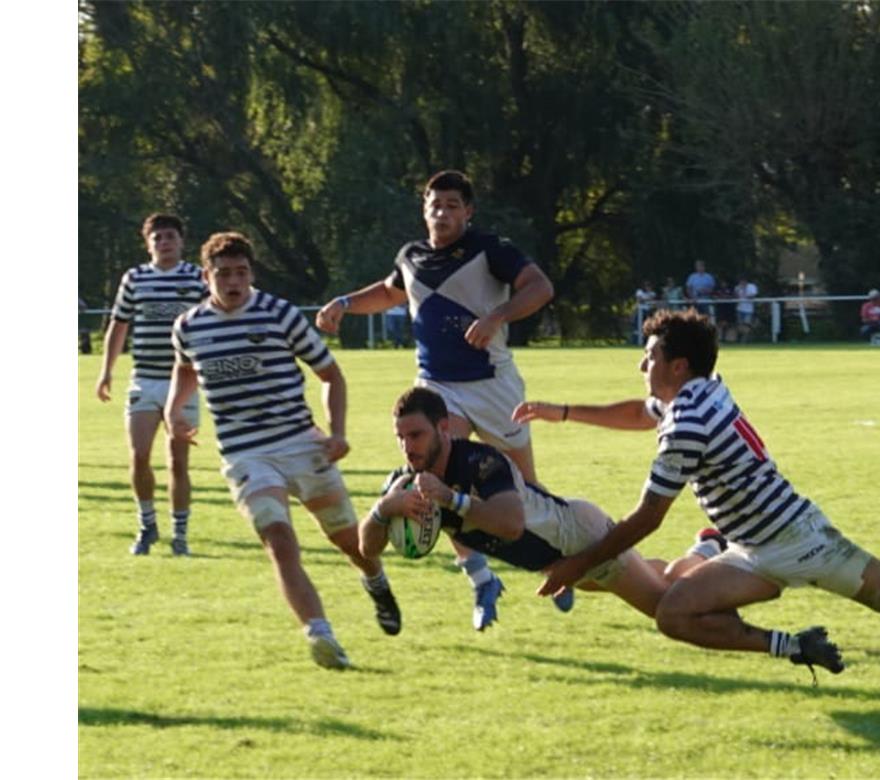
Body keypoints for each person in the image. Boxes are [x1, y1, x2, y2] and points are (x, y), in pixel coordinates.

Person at [511, 309, 880, 677]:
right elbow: (644, 412)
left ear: (678, 364)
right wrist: (562, 412)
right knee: (675, 612)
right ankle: (797, 647)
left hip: (803, 542)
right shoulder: (704, 389)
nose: (642, 363)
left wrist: (578, 563)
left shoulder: (689, 423)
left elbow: (646, 518)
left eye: (651, 356)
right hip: (753, 549)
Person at [313, 169, 568, 628]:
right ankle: (480, 577)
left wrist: (498, 315)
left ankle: (557, 562)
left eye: (453, 205)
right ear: (424, 209)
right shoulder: (410, 257)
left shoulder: (490, 249)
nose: (443, 212)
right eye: (435, 204)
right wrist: (345, 303)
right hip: (436, 388)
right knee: (434, 473)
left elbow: (541, 287)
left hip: (493, 384)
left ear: (468, 212)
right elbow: (391, 292)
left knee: (525, 489)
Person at [167, 231, 396, 669]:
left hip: (301, 444)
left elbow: (331, 375)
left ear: (251, 273)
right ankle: (320, 633)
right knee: (278, 538)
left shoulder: (280, 314)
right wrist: (175, 410)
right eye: (223, 274)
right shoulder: (188, 326)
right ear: (205, 276)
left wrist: (338, 432)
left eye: (241, 273)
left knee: (349, 541)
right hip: (244, 454)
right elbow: (185, 369)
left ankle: (375, 578)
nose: (233, 282)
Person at [361, 387, 674, 629]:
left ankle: (714, 573)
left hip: (579, 538)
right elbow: (368, 548)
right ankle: (705, 549)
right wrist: (384, 509)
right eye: (400, 437)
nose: (407, 447)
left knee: (666, 608)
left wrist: (451, 499)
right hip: (555, 564)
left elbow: (511, 524)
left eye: (416, 435)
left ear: (443, 427)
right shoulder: (406, 483)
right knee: (660, 578)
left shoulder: (480, 461)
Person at [95, 214, 207, 556]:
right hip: (144, 378)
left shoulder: (196, 276)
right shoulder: (135, 278)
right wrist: (106, 371)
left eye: (170, 236)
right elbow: (119, 324)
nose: (164, 242)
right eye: (157, 237)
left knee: (178, 460)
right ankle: (147, 526)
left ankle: (180, 534)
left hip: (183, 381)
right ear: (148, 243)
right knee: (139, 455)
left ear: (181, 241)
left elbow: (214, 316)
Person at [734, 276, 758, 343]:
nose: (742, 282)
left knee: (747, 325)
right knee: (740, 325)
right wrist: (739, 291)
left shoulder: (752, 286)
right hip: (739, 309)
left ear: (746, 281)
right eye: (740, 281)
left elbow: (752, 296)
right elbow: (736, 297)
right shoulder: (737, 287)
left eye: (743, 281)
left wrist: (745, 293)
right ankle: (742, 339)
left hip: (749, 310)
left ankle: (745, 340)